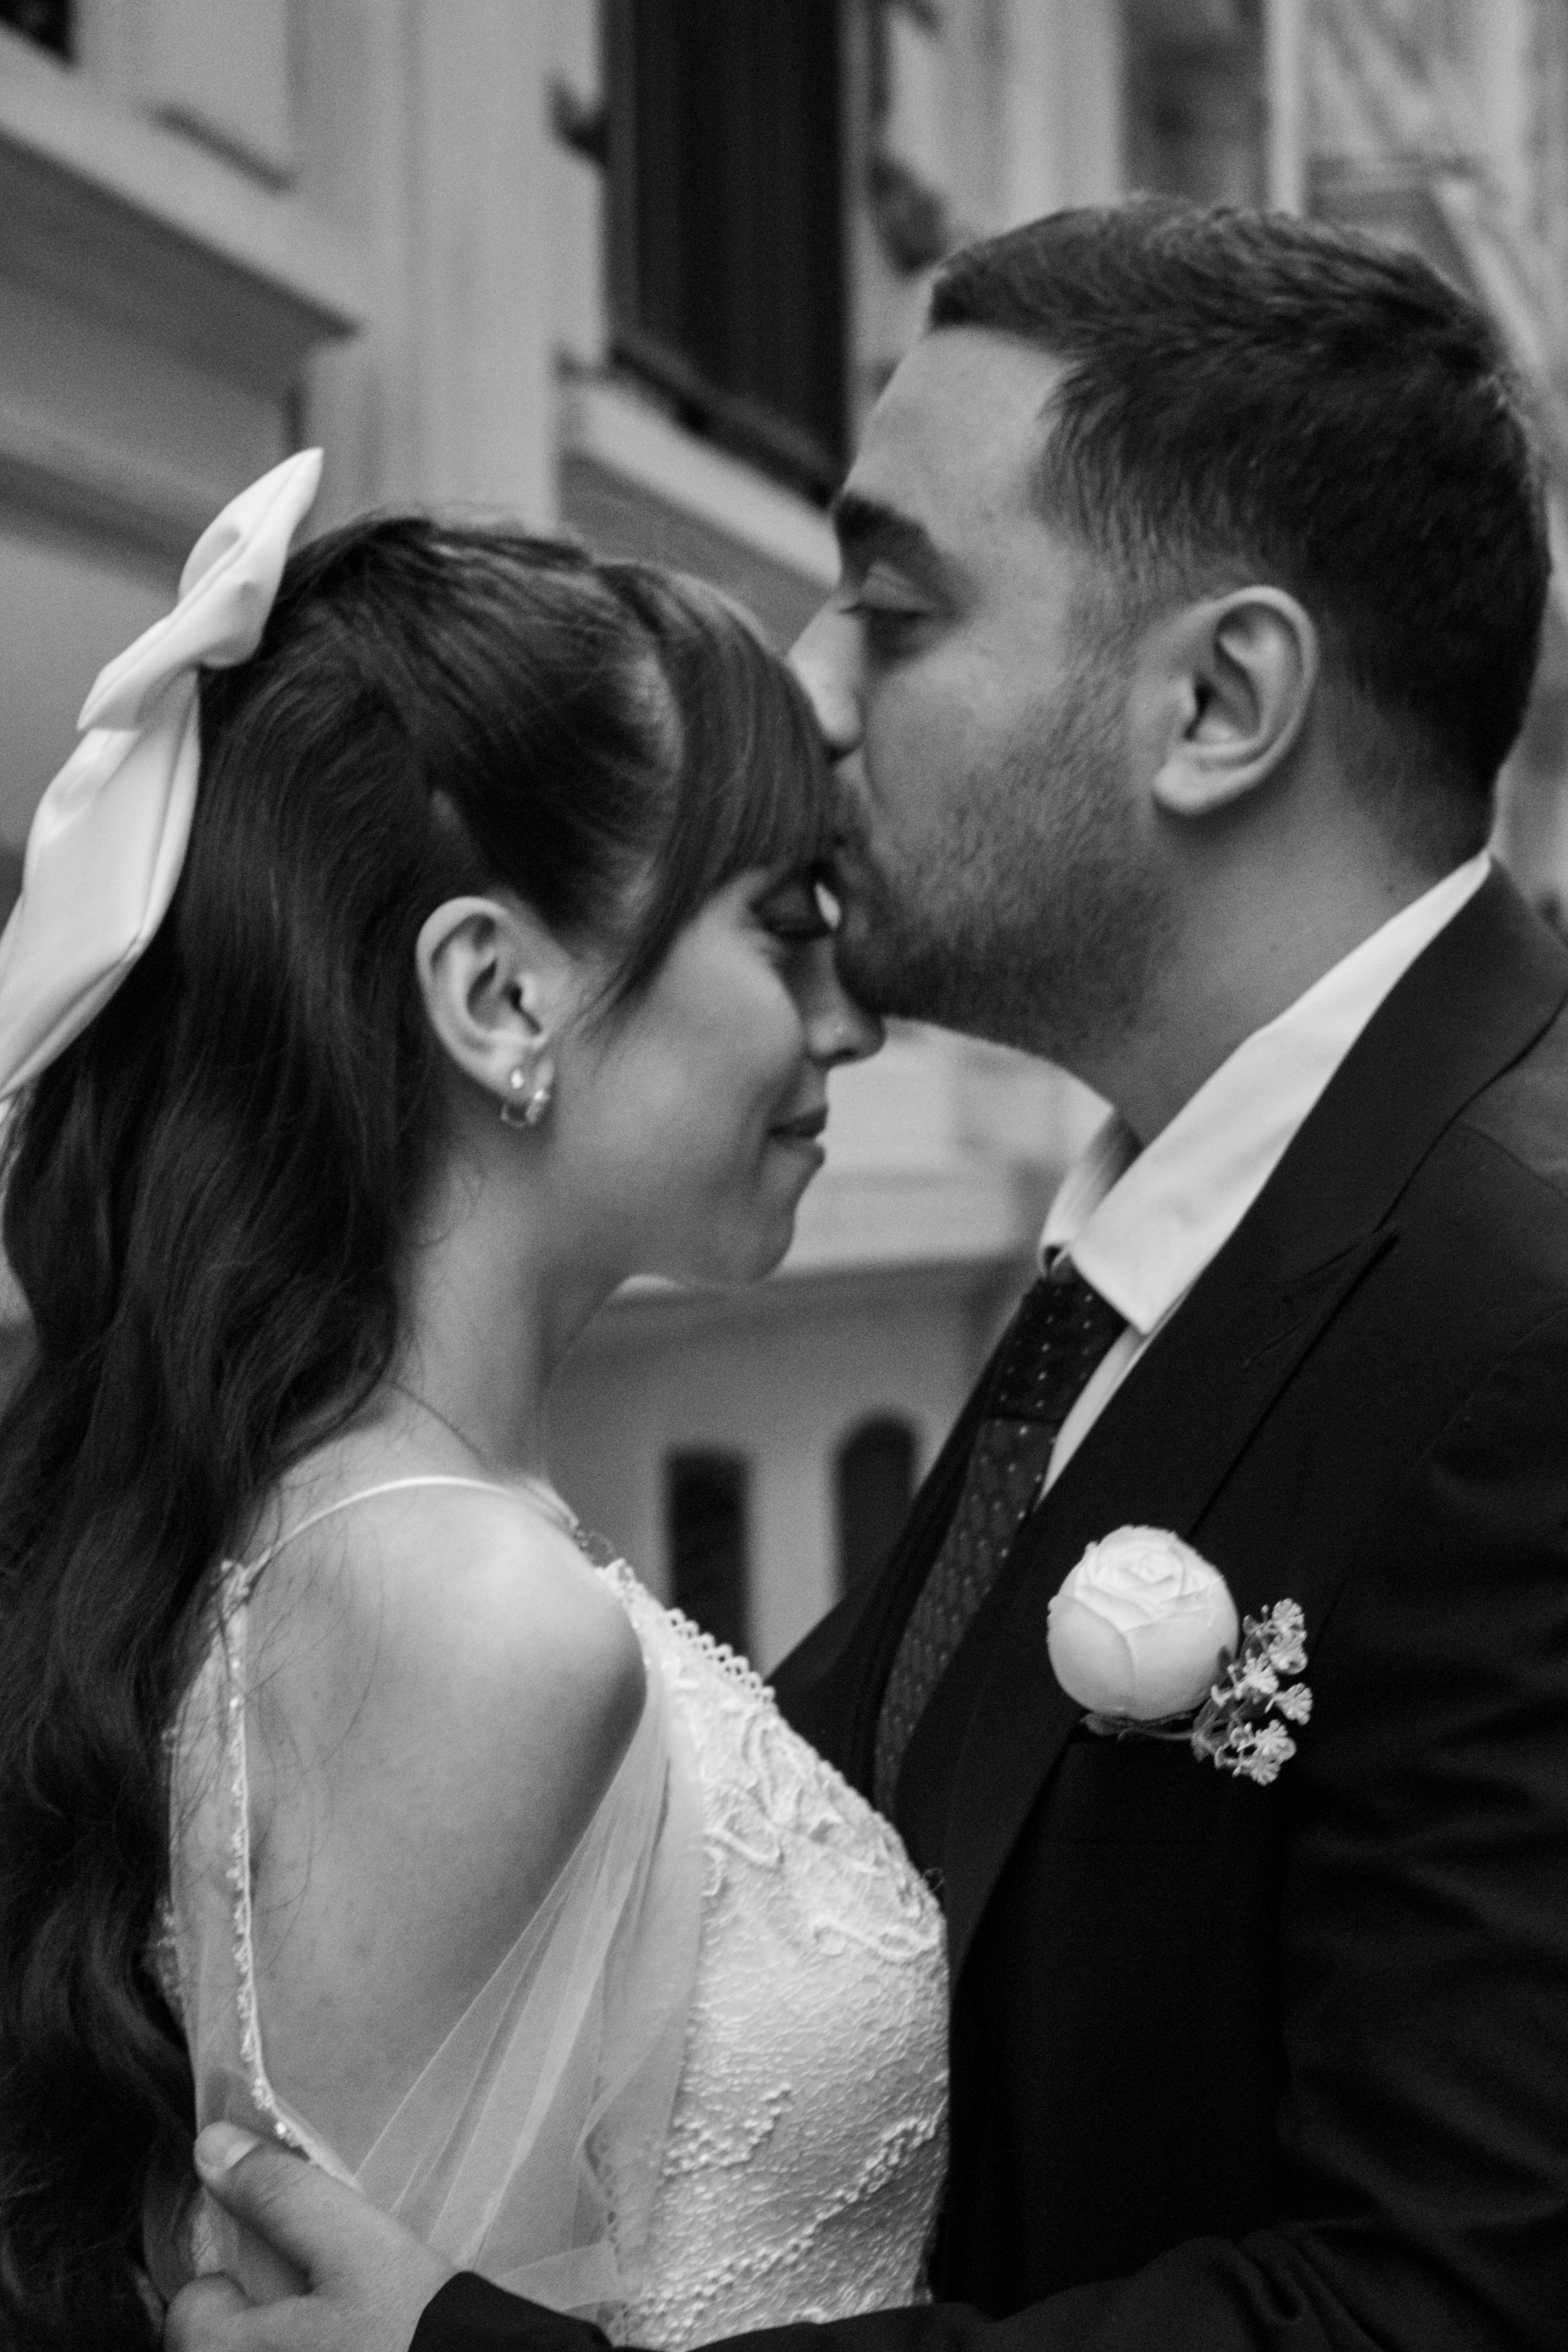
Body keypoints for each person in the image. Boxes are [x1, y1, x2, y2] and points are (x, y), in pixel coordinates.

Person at [171, 200, 1568, 2352]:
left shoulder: (1521, 1318)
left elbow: (1442, 2306)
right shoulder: (1151, 1246)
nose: (809, 688)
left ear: (1219, 702)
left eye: (896, 611)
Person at [0, 459, 969, 2352]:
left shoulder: (376, 1514)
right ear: (499, 993)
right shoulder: (472, 1612)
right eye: (783, 924)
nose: (847, 1020)